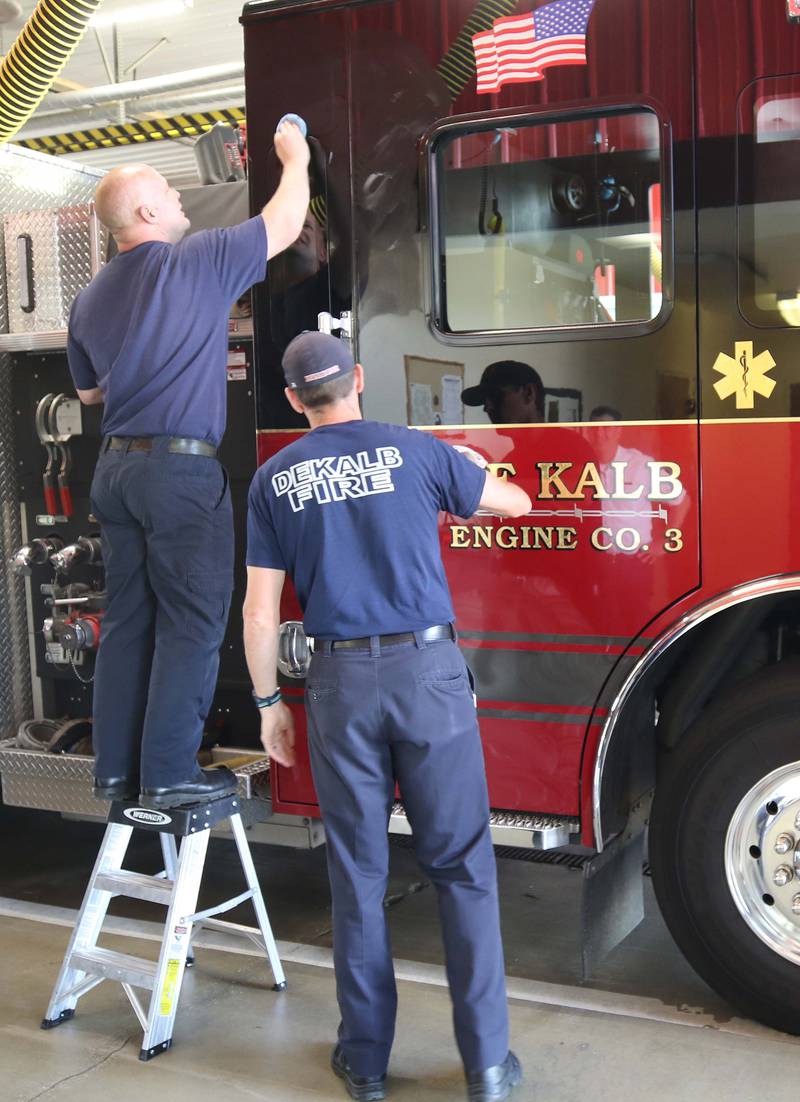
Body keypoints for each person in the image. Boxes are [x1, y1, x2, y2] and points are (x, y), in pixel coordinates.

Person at [243, 332, 531, 1102]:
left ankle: (366, 1065)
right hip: (427, 674)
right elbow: (519, 503)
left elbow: (261, 609)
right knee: (463, 869)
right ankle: (488, 1066)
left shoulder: (274, 479)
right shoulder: (416, 450)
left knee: (359, 876)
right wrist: (474, 471)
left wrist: (270, 702)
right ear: (359, 380)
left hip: (337, 682)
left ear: (295, 398)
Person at [66, 120, 310, 809]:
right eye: (171, 194)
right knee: (194, 621)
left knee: (128, 622)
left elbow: (90, 393)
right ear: (145, 213)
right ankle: (172, 774)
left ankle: (116, 773)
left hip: (115, 472)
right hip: (178, 474)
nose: (181, 202)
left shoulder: (88, 298)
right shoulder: (195, 260)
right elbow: (286, 222)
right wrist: (292, 155)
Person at [461, 361, 544, 425]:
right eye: (485, 400)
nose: (487, 408)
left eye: (496, 395)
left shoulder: (555, 445)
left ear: (529, 393)